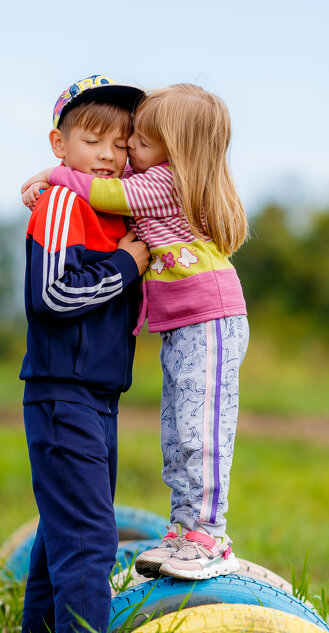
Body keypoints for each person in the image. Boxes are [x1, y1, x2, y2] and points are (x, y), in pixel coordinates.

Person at [21, 83, 249, 582]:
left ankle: (208, 533)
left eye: (134, 144)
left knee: (200, 431)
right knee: (177, 431)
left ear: (174, 148)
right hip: (185, 326)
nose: (122, 155)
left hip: (209, 319)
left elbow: (103, 186)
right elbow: (104, 182)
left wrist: (54, 174)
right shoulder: (152, 179)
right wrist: (63, 172)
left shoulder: (163, 183)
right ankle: (185, 530)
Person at [19, 75, 149, 633]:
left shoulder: (112, 206)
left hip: (99, 397)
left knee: (64, 527)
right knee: (92, 537)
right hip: (60, 393)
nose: (109, 155)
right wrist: (127, 264)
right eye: (94, 140)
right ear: (59, 142)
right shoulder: (64, 204)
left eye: (123, 145)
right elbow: (50, 295)